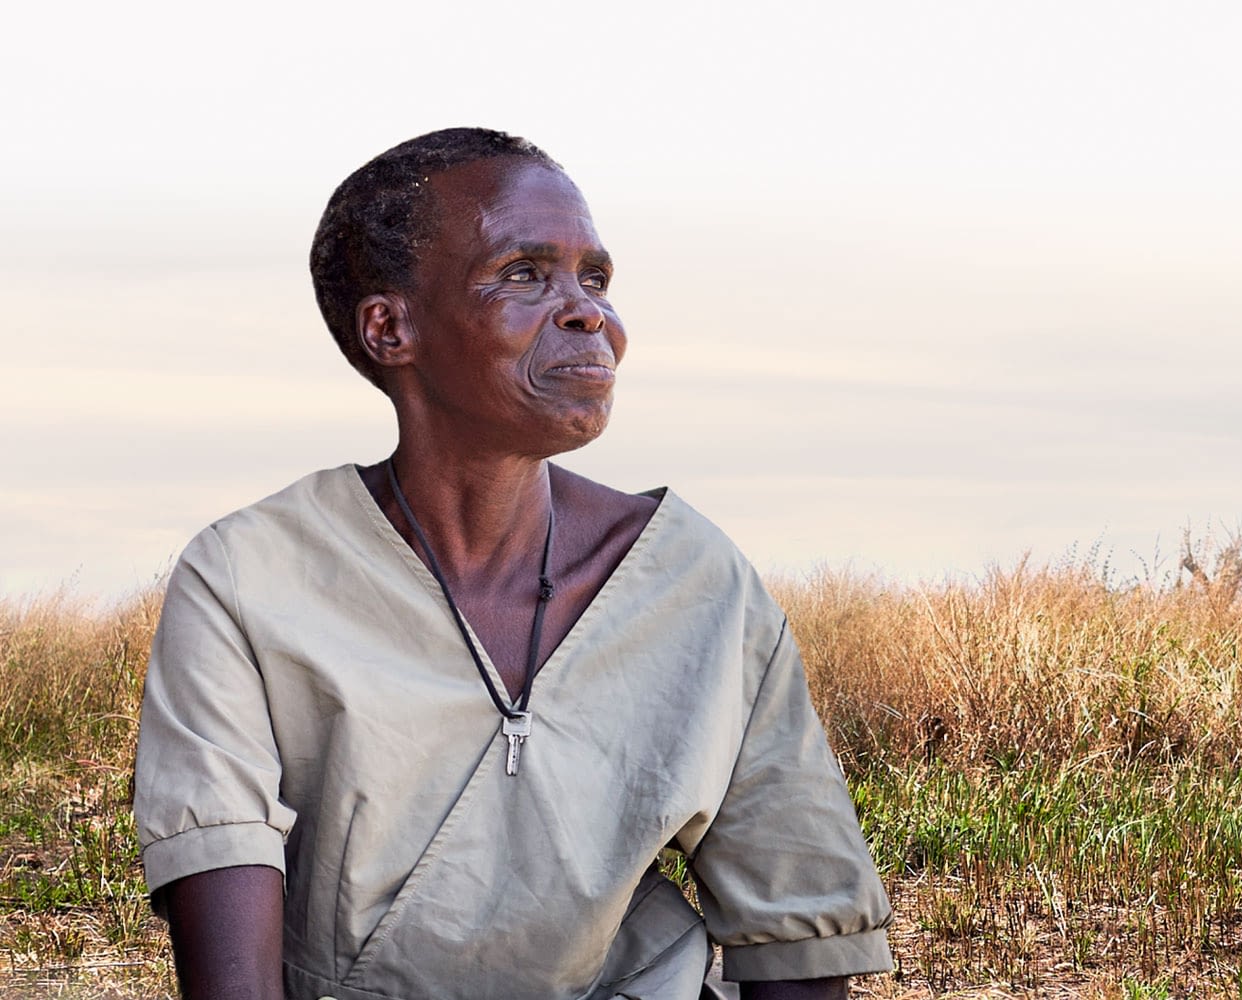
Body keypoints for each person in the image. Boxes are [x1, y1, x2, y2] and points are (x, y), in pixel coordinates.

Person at [132, 128, 893, 1000]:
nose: (588, 314)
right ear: (391, 328)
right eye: (525, 273)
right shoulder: (249, 577)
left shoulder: (695, 580)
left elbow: (797, 939)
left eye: (595, 279)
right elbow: (231, 960)